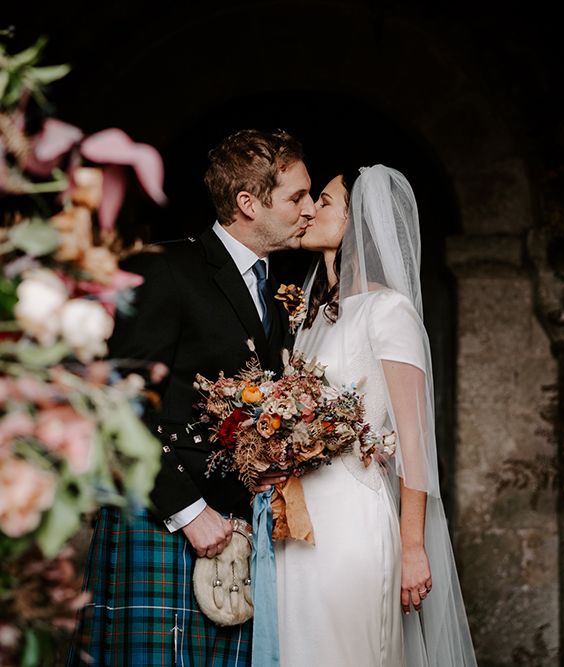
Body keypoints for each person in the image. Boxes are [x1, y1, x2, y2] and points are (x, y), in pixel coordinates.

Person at [67, 129, 316, 666]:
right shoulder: (169, 268)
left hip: (235, 532)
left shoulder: (273, 294)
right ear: (248, 203)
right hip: (165, 520)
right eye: (297, 197)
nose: (310, 210)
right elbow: (117, 402)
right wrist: (188, 510)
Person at [274, 165, 477, 666]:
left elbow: (415, 443)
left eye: (323, 201)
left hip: (354, 520)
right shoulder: (312, 317)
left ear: (355, 223)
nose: (308, 210)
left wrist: (413, 547)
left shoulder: (389, 311)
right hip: (297, 525)